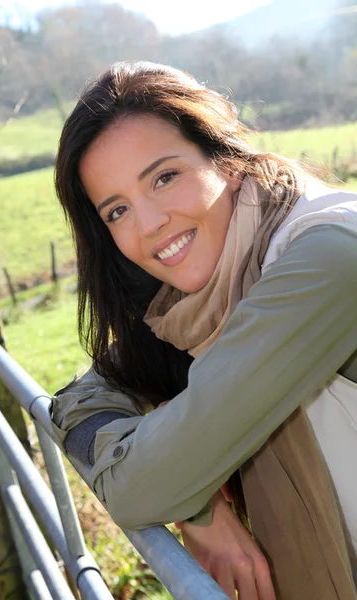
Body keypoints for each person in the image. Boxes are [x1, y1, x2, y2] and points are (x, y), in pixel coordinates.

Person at [50, 61, 357, 599]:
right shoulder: (201, 307)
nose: (148, 226)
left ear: (228, 158)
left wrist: (181, 477)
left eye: (164, 177)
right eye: (117, 210)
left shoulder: (328, 256)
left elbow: (140, 487)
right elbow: (81, 396)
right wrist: (203, 500)